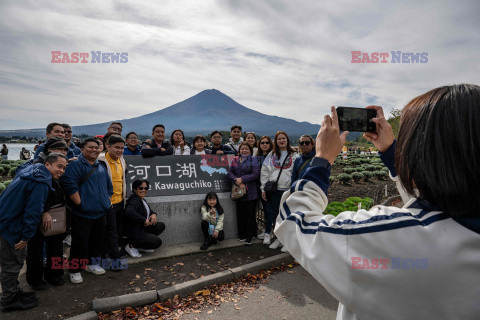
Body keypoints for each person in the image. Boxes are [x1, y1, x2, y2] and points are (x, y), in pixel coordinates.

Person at [275, 85, 480, 320]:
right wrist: (390, 151)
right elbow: (430, 199)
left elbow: (293, 222)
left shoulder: (386, 237)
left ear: (423, 152)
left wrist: (322, 159)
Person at [0, 153, 67, 311]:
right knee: (12, 264)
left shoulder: (32, 170)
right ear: (47, 164)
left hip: (6, 220)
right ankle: (9, 300)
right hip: (12, 226)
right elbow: (33, 211)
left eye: (64, 167)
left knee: (12, 262)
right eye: (59, 166)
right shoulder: (41, 182)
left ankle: (14, 292)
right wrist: (26, 237)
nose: (62, 170)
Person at [60, 138, 113, 284]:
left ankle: (92, 264)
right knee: (80, 242)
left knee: (97, 240)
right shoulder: (76, 165)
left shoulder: (101, 166)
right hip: (81, 213)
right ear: (82, 148)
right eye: (90, 147)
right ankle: (75, 269)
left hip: (101, 212)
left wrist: (106, 200)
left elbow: (109, 186)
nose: (94, 150)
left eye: (97, 147)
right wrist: (80, 203)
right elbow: (69, 184)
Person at [260, 131, 297, 249]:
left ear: (287, 140)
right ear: (276, 141)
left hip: (288, 190)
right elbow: (265, 172)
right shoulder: (271, 155)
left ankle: (287, 241)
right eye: (279, 139)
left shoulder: (294, 155)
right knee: (277, 215)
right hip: (274, 190)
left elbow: (296, 172)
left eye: (284, 138)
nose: (282, 141)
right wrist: (263, 188)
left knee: (288, 215)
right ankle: (278, 238)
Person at [98, 135, 127, 269]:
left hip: (120, 202)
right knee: (110, 232)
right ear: (107, 146)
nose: (119, 150)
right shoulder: (101, 161)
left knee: (117, 231)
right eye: (116, 147)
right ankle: (115, 262)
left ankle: (109, 257)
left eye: (121, 148)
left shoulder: (122, 160)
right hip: (107, 203)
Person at [228, 142, 261, 245]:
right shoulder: (235, 159)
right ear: (239, 150)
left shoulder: (254, 160)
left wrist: (242, 179)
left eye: (246, 149)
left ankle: (249, 236)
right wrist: (236, 180)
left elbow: (255, 174)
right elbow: (230, 172)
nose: (244, 151)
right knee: (240, 214)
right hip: (238, 191)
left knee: (250, 215)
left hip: (250, 191)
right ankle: (241, 234)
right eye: (242, 149)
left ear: (250, 151)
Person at [124, 179, 165, 257]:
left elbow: (149, 210)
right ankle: (131, 245)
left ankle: (142, 245)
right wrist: (144, 220)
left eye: (145, 188)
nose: (143, 190)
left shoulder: (141, 199)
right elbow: (128, 212)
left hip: (142, 227)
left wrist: (154, 215)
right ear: (135, 189)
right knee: (157, 242)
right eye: (141, 188)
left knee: (160, 226)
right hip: (134, 231)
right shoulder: (134, 200)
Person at [254, 136, 274, 240]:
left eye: (267, 142)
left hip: (268, 188)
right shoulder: (256, 158)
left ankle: (268, 231)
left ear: (270, 144)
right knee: (260, 209)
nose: (264, 144)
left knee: (268, 209)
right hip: (257, 187)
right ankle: (266, 230)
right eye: (262, 143)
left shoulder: (273, 157)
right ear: (259, 145)